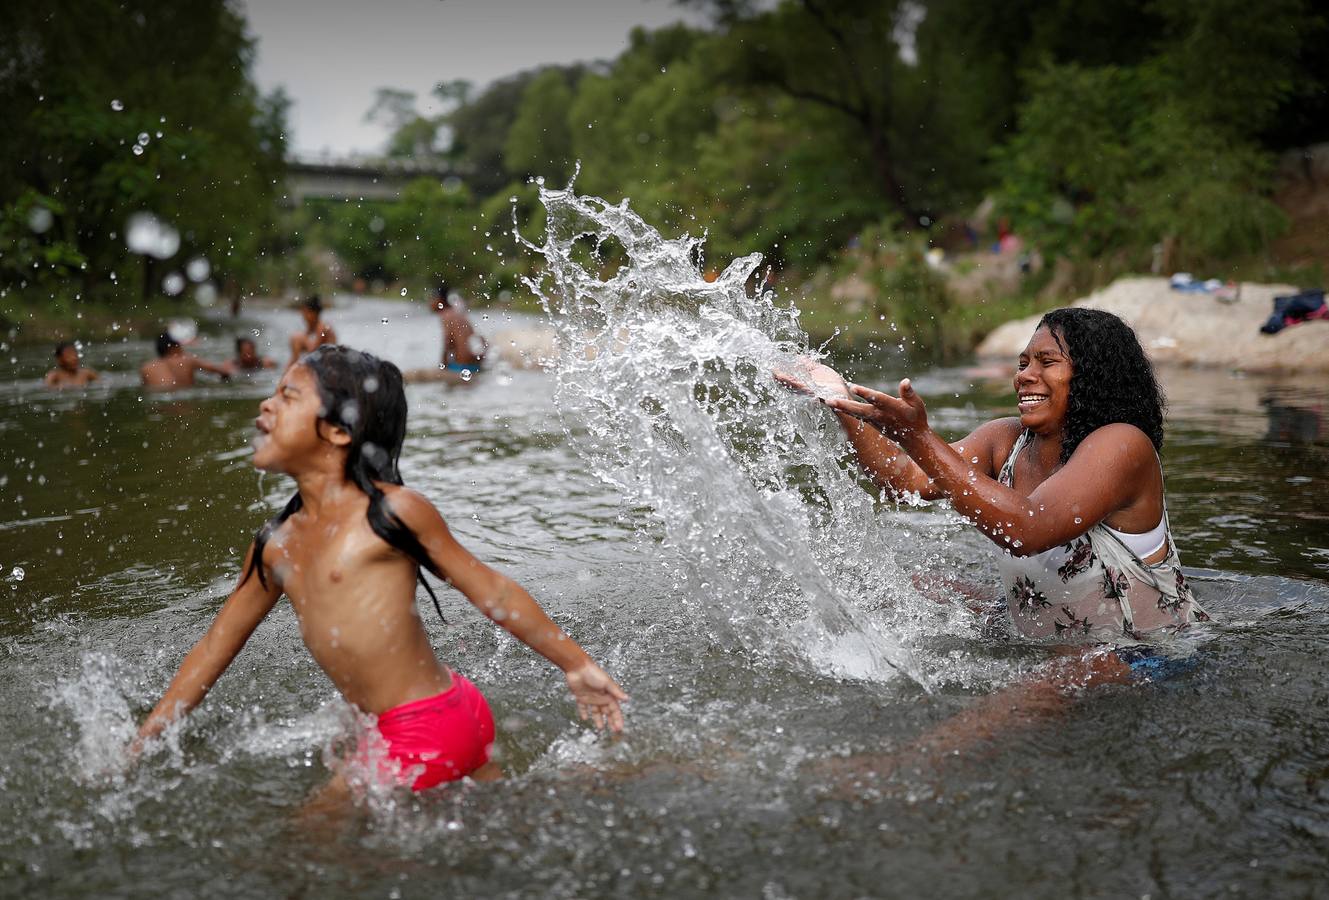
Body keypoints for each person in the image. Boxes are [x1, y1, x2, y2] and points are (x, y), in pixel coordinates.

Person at [133, 345, 627, 794]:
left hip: (426, 722)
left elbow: (492, 590)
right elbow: (215, 645)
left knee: (302, 853)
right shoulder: (274, 545)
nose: (266, 405)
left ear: (338, 431)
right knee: (503, 818)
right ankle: (619, 781)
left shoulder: (391, 514)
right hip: (441, 716)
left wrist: (576, 665)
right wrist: (148, 736)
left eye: (288, 395)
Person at [778, 308, 1207, 751]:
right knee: (914, 586)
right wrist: (841, 402)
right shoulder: (1005, 439)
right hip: (1045, 629)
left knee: (1040, 686)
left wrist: (920, 437)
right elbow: (904, 479)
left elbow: (1027, 529)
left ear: (1093, 374)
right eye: (1023, 363)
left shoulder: (1123, 444)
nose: (1025, 376)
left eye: (1046, 362)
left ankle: (892, 768)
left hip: (1143, 651)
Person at [140, 332, 231, 391]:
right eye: (179, 344)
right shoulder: (187, 360)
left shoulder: (146, 368)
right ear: (173, 347)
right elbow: (222, 372)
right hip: (183, 399)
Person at [432, 283, 487, 377]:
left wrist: (443, 367)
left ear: (439, 300)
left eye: (432, 299)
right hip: (476, 364)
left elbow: (448, 341)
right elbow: (480, 340)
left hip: (461, 367)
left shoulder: (446, 315)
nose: (429, 303)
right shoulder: (457, 313)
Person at [286, 294, 337, 372]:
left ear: (315, 313)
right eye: (303, 312)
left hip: (326, 369)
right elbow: (295, 358)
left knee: (296, 338)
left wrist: (301, 340)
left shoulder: (324, 328)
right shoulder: (308, 331)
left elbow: (313, 352)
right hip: (312, 368)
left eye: (306, 312)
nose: (303, 315)